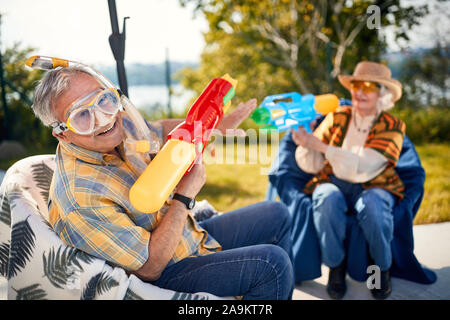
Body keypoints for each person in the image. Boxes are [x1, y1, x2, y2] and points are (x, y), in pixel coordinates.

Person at [31, 65, 294, 300]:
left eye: (104, 101)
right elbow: (149, 268)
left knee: (277, 213)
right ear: (62, 134)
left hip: (188, 236)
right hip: (165, 272)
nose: (103, 119)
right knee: (272, 265)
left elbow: (159, 128)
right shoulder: (81, 197)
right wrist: (184, 196)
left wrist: (218, 126)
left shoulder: (119, 128)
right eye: (82, 116)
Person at [291, 61, 405, 300]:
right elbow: (312, 165)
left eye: (368, 86)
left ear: (382, 94)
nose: (359, 91)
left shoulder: (393, 126)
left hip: (376, 183)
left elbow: (363, 166)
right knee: (325, 196)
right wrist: (306, 141)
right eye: (355, 85)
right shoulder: (337, 116)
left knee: (372, 206)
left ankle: (380, 268)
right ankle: (336, 267)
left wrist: (320, 145)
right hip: (335, 180)